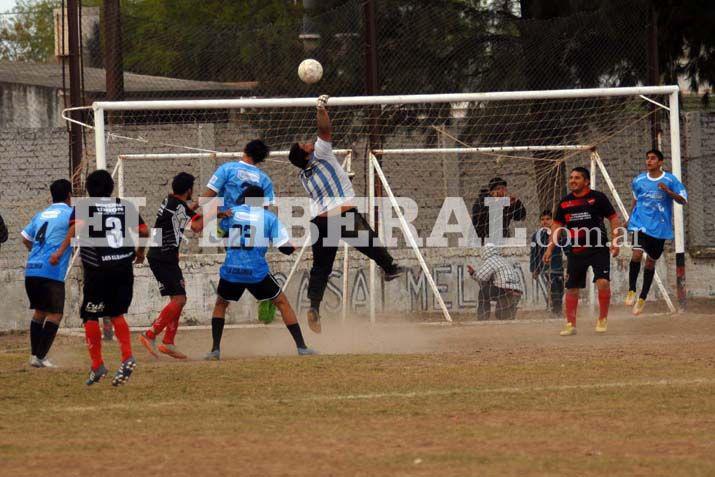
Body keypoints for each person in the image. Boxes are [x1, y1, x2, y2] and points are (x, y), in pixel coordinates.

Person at [287, 94, 403, 333]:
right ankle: (390, 268)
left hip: (320, 222)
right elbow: (325, 129)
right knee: (371, 243)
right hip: (342, 215)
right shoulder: (322, 154)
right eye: (304, 145)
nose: (308, 143)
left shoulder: (303, 175)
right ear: (308, 154)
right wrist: (321, 108)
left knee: (321, 268)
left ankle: (315, 307)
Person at [51, 170, 149, 386]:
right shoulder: (126, 206)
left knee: (90, 316)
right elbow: (144, 231)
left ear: (88, 188)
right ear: (111, 187)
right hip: (124, 267)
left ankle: (97, 365)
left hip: (98, 270)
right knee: (116, 313)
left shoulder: (85, 206)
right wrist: (141, 253)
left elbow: (77, 228)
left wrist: (59, 252)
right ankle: (126, 356)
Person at [204, 185, 316, 360]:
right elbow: (284, 248)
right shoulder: (269, 218)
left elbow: (219, 233)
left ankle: (215, 350)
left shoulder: (231, 212)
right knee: (282, 302)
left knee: (221, 304)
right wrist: (294, 247)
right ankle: (302, 347)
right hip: (256, 272)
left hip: (232, 270)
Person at [544, 167, 622, 336]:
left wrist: (615, 242)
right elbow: (557, 226)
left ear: (586, 181)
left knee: (603, 282)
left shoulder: (598, 198)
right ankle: (570, 324)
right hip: (576, 251)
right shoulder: (564, 202)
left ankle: (602, 318)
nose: (572, 180)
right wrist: (550, 248)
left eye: (577, 178)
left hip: (598, 249)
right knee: (572, 288)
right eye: (571, 177)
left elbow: (614, 219)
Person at [139, 172, 209, 360]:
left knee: (179, 298)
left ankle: (168, 342)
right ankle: (151, 334)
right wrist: (215, 213)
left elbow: (184, 212)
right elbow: (196, 227)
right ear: (189, 190)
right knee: (179, 299)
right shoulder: (178, 207)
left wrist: (198, 205)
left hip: (162, 256)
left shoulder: (169, 202)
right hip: (163, 257)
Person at [626, 149, 687, 315]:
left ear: (660, 162)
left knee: (650, 263)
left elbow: (682, 200)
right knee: (636, 254)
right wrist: (630, 218)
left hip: (659, 228)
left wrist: (668, 192)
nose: (649, 161)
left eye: (652, 158)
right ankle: (631, 290)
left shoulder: (670, 180)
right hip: (639, 224)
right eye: (647, 158)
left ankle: (642, 297)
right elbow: (636, 199)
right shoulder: (638, 180)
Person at [21, 179, 73, 368]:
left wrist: (35, 254)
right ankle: (40, 357)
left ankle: (35, 355)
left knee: (40, 312)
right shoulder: (69, 213)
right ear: (69, 195)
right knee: (55, 314)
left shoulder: (41, 214)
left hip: (32, 269)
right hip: (51, 270)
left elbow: (25, 238)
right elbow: (77, 228)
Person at [203, 139, 274, 209]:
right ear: (261, 159)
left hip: (230, 218)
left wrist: (193, 207)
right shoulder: (265, 179)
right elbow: (264, 207)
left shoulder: (227, 169)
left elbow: (210, 194)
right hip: (253, 219)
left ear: (245, 149)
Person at [467, 244, 524, 320]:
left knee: (483, 292)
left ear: (485, 252)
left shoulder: (491, 260)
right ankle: (511, 311)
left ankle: (482, 319)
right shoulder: (503, 260)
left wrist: (473, 273)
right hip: (517, 292)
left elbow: (481, 277)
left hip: (505, 291)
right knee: (501, 315)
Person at [530, 209, 565, 317]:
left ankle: (556, 309)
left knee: (560, 290)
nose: (544, 222)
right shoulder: (536, 236)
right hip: (545, 268)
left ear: (553, 221)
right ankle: (556, 311)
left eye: (548, 219)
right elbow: (534, 253)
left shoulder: (560, 233)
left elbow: (567, 248)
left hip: (559, 267)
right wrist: (534, 269)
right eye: (542, 219)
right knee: (553, 288)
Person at [471, 177, 526, 244]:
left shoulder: (505, 203)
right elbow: (479, 216)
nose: (501, 192)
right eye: (498, 189)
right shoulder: (481, 201)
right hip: (483, 241)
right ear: (491, 192)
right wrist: (496, 203)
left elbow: (520, 216)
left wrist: (517, 203)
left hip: (502, 241)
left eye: (504, 189)